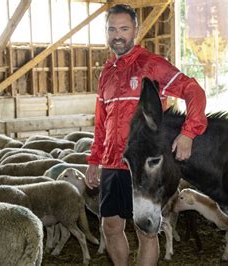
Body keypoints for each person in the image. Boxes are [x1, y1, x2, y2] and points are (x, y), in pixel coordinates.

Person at [85, 4, 207, 265]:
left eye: (124, 29)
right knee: (110, 227)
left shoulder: (152, 65)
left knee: (146, 231)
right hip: (111, 163)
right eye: (112, 29)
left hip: (142, 166)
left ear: (136, 31)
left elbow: (193, 90)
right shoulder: (106, 73)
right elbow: (101, 122)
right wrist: (94, 160)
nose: (117, 35)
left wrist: (188, 132)